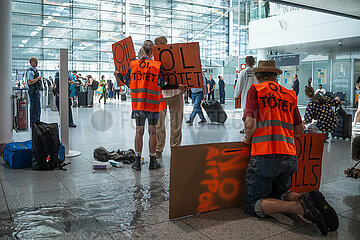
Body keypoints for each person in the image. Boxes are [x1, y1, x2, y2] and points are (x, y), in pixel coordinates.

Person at [243, 60, 337, 236]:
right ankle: (306, 199)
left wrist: (248, 138)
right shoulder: (289, 94)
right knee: (282, 192)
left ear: (258, 76)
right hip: (289, 155)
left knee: (251, 204)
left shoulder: (256, 90)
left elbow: (250, 123)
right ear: (276, 76)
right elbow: (299, 130)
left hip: (264, 155)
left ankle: (298, 207)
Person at [115, 40, 166, 171]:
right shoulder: (156, 65)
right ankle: (152, 161)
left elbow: (127, 82)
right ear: (150, 52)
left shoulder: (133, 65)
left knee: (139, 131)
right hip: (153, 104)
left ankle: (137, 162)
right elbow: (161, 84)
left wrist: (118, 75)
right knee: (152, 131)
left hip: (138, 104)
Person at [154, 36, 186, 159]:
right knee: (159, 124)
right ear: (155, 45)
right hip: (160, 95)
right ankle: (158, 149)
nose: (164, 45)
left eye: (165, 43)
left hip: (176, 92)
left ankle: (175, 148)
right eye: (161, 43)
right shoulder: (153, 59)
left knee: (177, 122)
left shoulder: (174, 57)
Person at [26, 57, 42, 127]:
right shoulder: (30, 71)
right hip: (33, 91)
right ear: (31, 62)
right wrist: (38, 78)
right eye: (35, 62)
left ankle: (37, 121)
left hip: (36, 91)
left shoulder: (35, 70)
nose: (36, 63)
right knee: (34, 107)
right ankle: (33, 123)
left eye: (37, 62)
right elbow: (29, 82)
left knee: (38, 107)